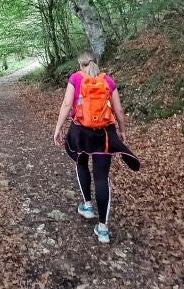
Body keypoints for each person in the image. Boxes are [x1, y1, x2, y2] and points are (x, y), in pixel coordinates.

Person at [53, 51, 140, 244]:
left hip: (80, 133)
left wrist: (58, 129)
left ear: (80, 63)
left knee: (81, 163)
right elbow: (118, 109)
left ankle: (87, 206)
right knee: (101, 177)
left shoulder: (76, 78)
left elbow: (67, 104)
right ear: (96, 62)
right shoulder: (107, 80)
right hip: (105, 134)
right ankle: (103, 229)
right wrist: (122, 130)